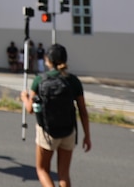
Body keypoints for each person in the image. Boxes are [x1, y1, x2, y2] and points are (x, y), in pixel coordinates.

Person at [20, 43, 91, 187]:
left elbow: (30, 109)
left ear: (48, 60)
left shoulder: (40, 80)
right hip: (68, 130)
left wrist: (24, 97)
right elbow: (83, 111)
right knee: (64, 174)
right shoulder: (73, 81)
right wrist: (87, 136)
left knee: (42, 169)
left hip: (47, 131)